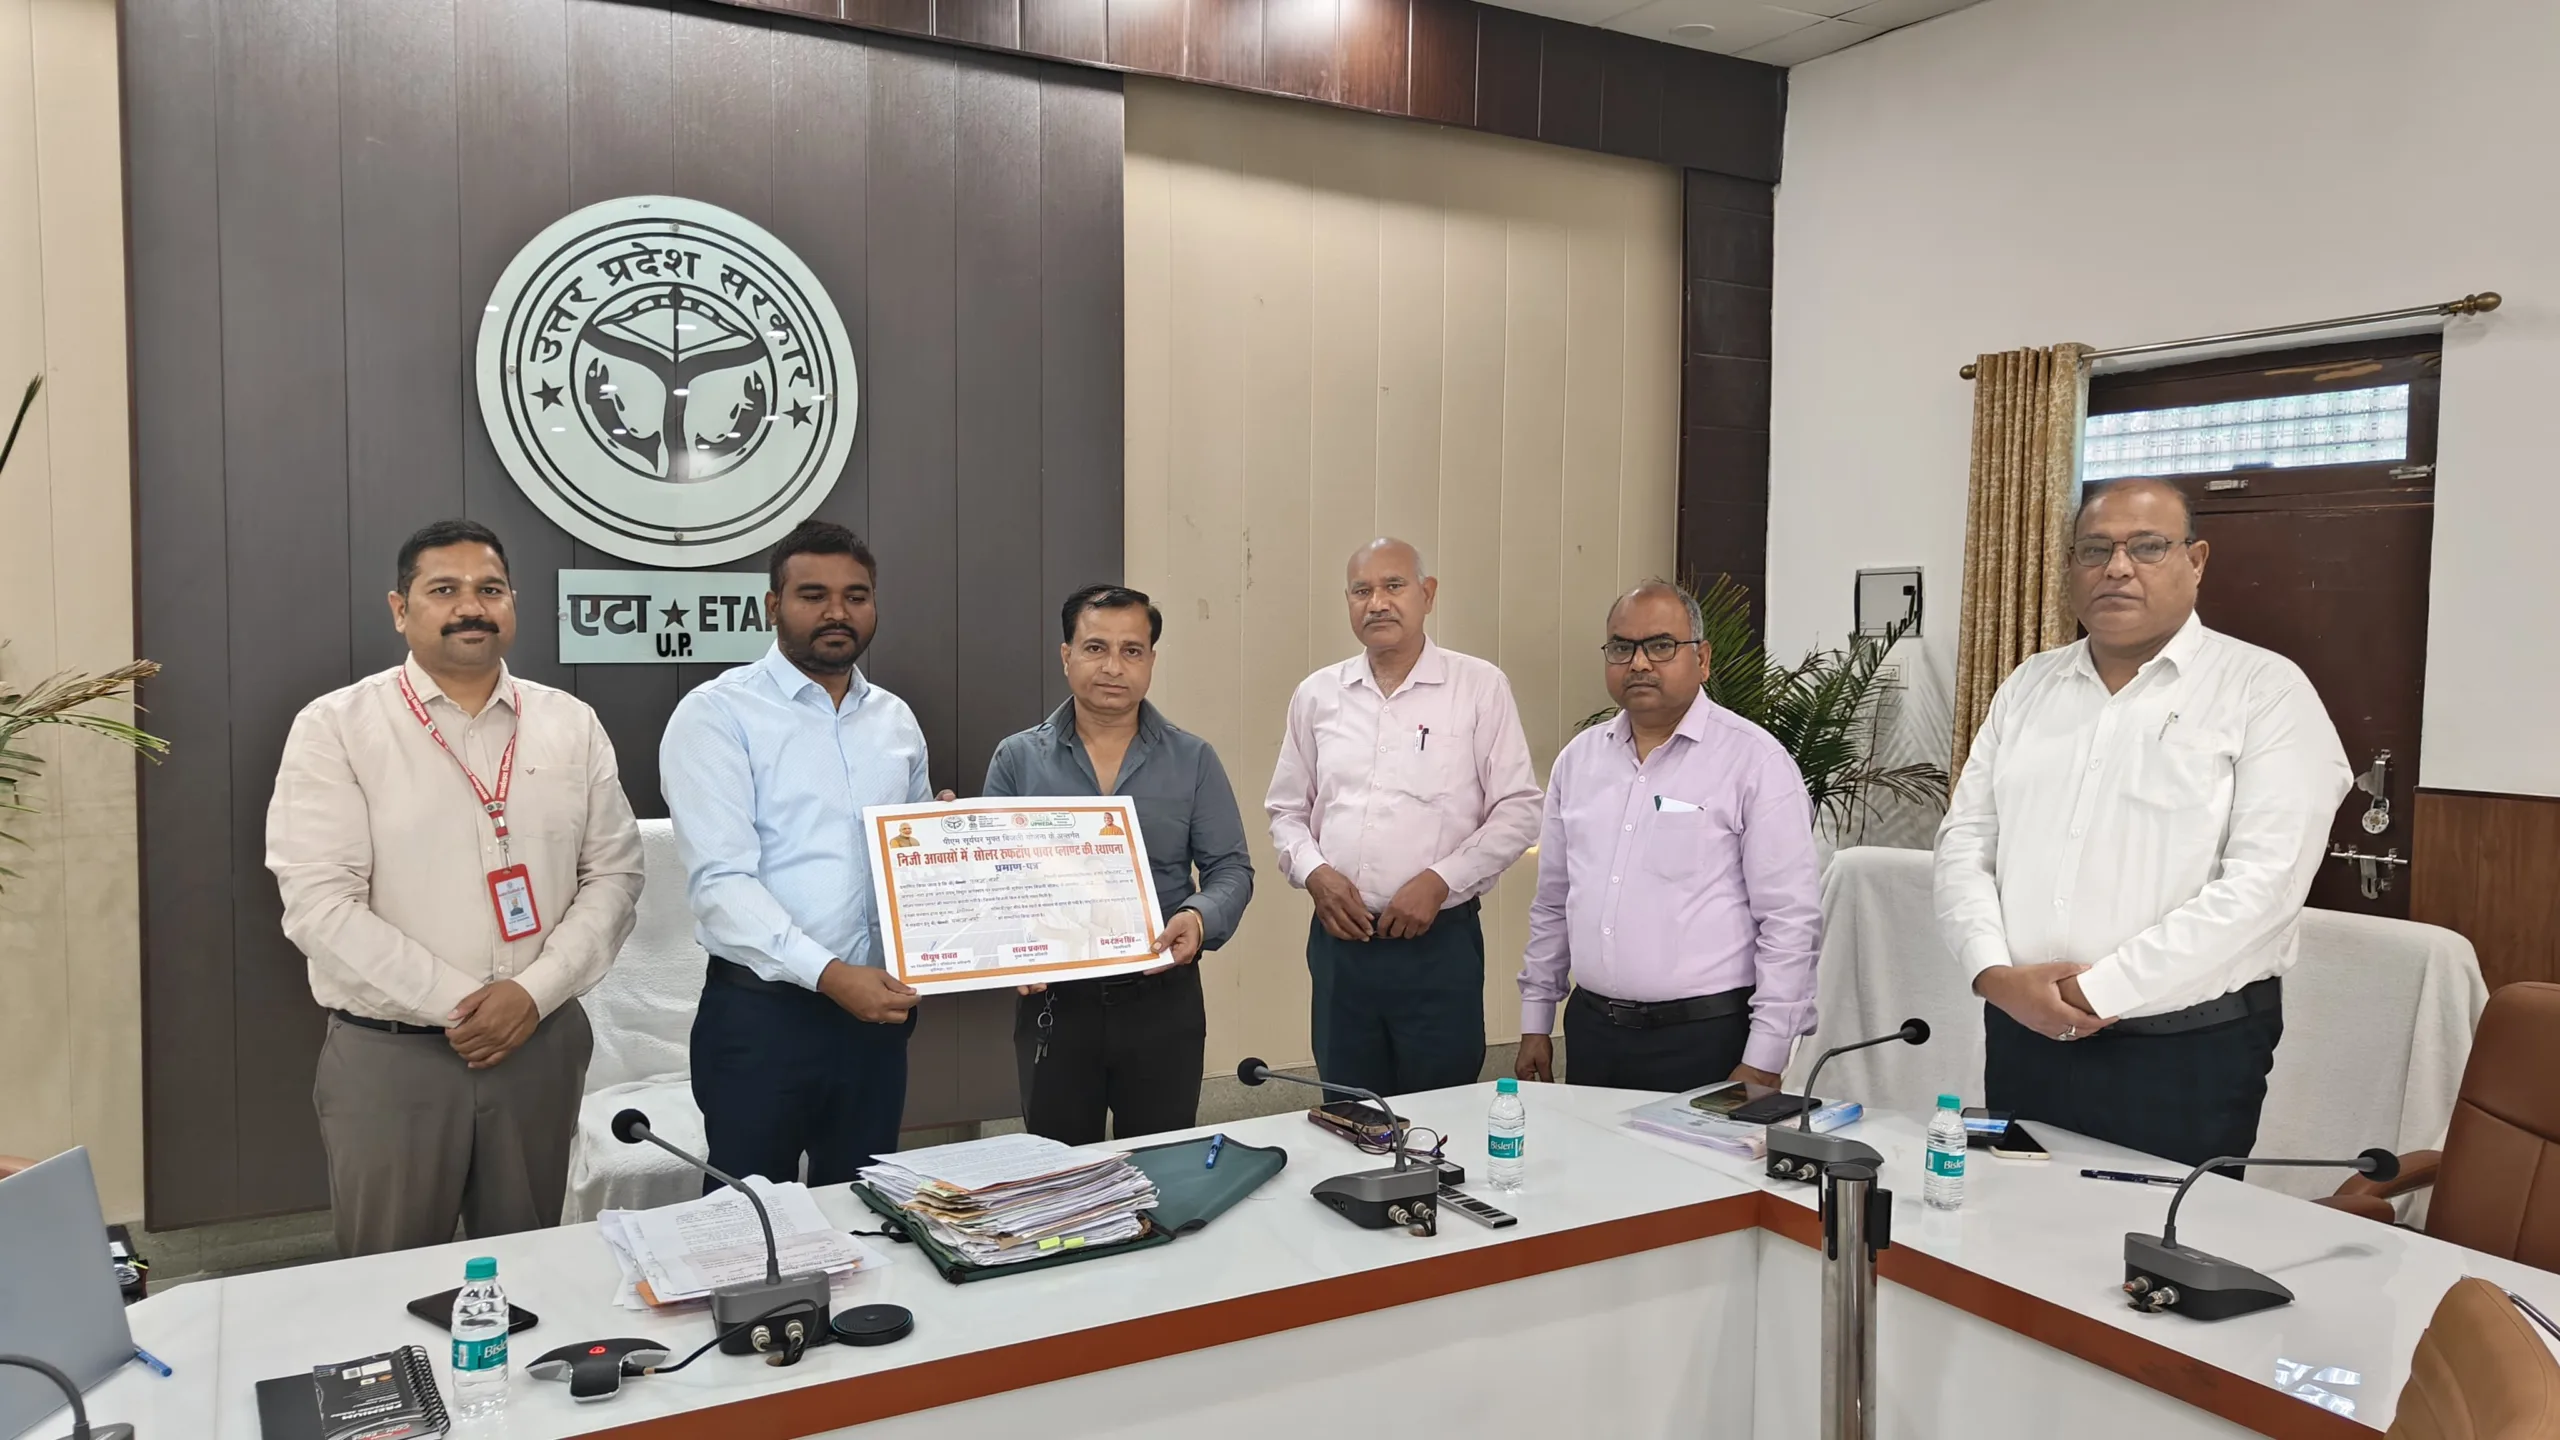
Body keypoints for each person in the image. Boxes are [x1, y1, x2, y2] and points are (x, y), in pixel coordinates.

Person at [1934, 477, 2351, 1167]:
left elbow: (2264, 886)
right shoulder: (2029, 686)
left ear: (2196, 560)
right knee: (2012, 1219)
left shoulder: (2264, 690)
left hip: (2184, 1054)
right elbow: (1966, 842)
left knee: (2158, 1235)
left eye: (2148, 547)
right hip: (2022, 1032)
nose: (2117, 568)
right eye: (2095, 549)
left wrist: (2091, 992)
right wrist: (1992, 973)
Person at [267, 519, 642, 1256]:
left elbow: (616, 873)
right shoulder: (337, 727)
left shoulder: (569, 724)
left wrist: (530, 995)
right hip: (395, 1059)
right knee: (390, 1277)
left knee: (532, 1269)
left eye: (489, 589)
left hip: (539, 1044)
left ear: (513, 603)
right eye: (444, 589)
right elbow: (321, 905)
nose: (471, 606)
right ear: (399, 609)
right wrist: (466, 1006)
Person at [661, 520, 932, 1187]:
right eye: (814, 595)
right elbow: (722, 884)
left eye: (856, 596)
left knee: (865, 1207)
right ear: (772, 605)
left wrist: (942, 843)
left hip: (877, 1019)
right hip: (763, 1019)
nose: (838, 612)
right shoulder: (717, 714)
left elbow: (913, 861)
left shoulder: (895, 720)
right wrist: (831, 975)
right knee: (748, 1220)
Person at [1515, 582, 1822, 1091]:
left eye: (1661, 646)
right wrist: (1535, 1021)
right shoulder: (1579, 761)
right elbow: (1553, 902)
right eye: (1622, 647)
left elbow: (1789, 921)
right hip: (1593, 1034)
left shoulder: (1754, 762)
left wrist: (1765, 1057)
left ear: (1702, 659)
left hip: (1706, 1039)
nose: (1639, 663)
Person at [1267, 539, 1542, 1099]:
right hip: (1342, 945)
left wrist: (1441, 880)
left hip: (1437, 946)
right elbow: (1287, 811)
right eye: (1361, 591)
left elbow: (1518, 809)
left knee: (1442, 1115)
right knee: (1349, 1112)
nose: (1377, 603)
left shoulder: (1478, 687)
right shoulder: (1318, 695)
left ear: (1427, 594)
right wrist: (1315, 873)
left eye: (1393, 586)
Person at [983, 585, 1254, 1144]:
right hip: (1056, 1003)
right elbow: (992, 879)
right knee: (1059, 1174)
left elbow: (1231, 868)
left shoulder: (1193, 759)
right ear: (1066, 656)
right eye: (1095, 648)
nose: (1113, 667)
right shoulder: (1017, 759)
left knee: (1163, 1166)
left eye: (1131, 650)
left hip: (1162, 1000)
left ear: (1151, 660)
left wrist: (1198, 917)